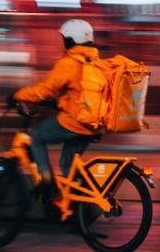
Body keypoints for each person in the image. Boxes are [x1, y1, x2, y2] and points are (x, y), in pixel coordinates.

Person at [9, 19, 105, 199]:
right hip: (92, 122)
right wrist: (56, 103)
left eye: (64, 38)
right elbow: (79, 92)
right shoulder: (95, 61)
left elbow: (46, 89)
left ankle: (46, 182)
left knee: (35, 137)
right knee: (68, 166)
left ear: (70, 40)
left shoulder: (70, 62)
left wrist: (18, 95)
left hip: (75, 122)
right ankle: (80, 210)